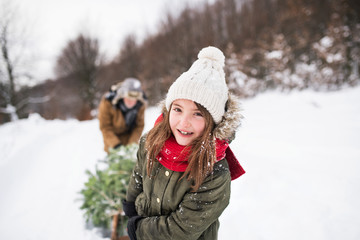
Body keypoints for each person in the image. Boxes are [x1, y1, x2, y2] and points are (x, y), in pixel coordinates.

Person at [122, 46, 245, 240]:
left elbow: (180, 230)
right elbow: (139, 173)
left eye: (197, 113)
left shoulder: (214, 173)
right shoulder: (151, 140)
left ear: (213, 121)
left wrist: (138, 229)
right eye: (178, 109)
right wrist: (130, 205)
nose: (183, 122)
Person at [98, 78, 146, 153]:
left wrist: (132, 145)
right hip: (112, 143)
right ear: (122, 95)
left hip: (130, 140)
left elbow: (139, 126)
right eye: (129, 99)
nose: (131, 102)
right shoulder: (108, 103)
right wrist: (116, 145)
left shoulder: (140, 105)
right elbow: (105, 127)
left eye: (134, 99)